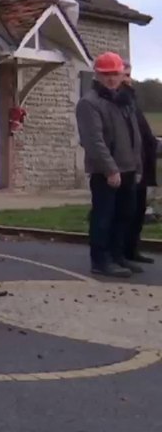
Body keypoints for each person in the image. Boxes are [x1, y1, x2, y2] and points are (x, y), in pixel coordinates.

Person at [75, 51, 143, 277]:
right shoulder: (89, 103)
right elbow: (93, 141)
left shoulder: (124, 99)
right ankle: (100, 260)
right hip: (106, 172)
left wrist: (137, 166)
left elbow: (134, 135)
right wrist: (110, 169)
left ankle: (118, 255)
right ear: (97, 75)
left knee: (125, 214)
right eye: (106, 75)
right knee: (104, 216)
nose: (111, 79)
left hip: (129, 168)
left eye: (115, 74)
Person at [121, 61, 158, 264]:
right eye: (125, 74)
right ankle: (121, 252)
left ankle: (132, 249)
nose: (128, 79)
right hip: (129, 164)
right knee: (127, 212)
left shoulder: (132, 99)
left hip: (143, 163)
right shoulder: (120, 100)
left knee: (138, 211)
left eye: (129, 74)